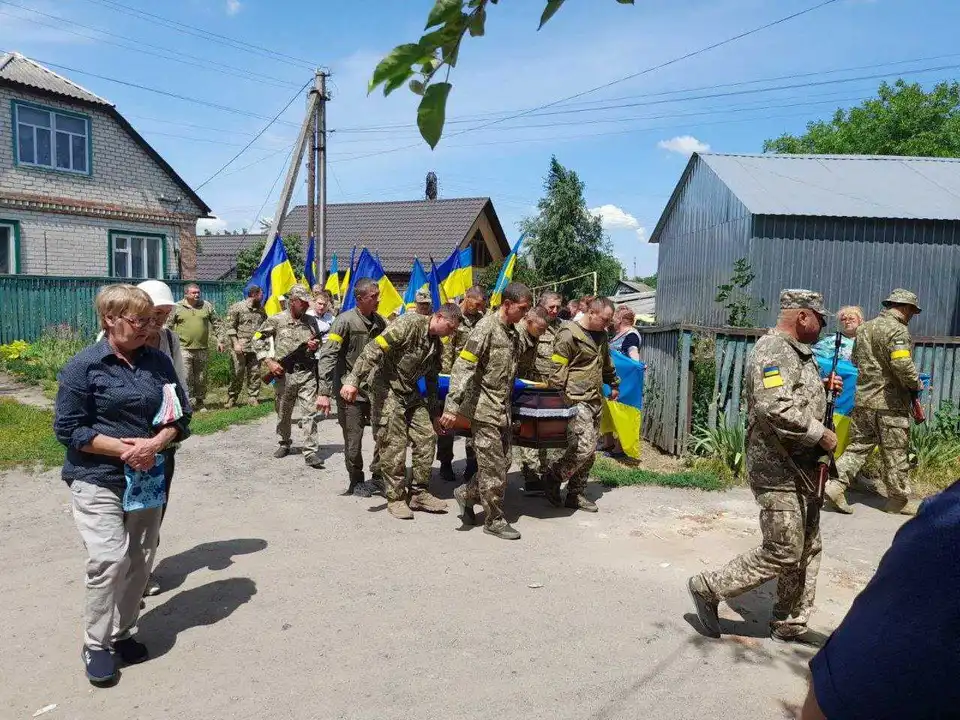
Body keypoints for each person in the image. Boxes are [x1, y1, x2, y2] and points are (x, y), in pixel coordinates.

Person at [54, 284, 192, 685]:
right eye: (139, 320)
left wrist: (156, 443)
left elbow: (180, 416)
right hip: (97, 476)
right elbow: (69, 429)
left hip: (147, 475)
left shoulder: (158, 362)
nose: (148, 327)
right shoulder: (84, 366)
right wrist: (124, 449)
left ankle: (122, 632)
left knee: (140, 558)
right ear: (110, 319)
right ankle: (96, 644)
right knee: (109, 559)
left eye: (152, 320)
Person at [687, 289, 841, 645]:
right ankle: (709, 586)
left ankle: (789, 621)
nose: (823, 326)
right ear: (802, 316)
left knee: (807, 546)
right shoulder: (773, 350)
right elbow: (774, 406)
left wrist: (821, 387)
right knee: (784, 548)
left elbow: (792, 395)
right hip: (778, 468)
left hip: (802, 467)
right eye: (821, 319)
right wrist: (820, 434)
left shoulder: (797, 353)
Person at [799, 479, 960, 720]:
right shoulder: (948, 528)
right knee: (786, 551)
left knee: (799, 550)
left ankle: (789, 619)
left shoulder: (946, 521)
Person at [341, 304, 462, 519]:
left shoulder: (435, 345)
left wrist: (435, 414)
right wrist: (353, 380)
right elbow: (374, 349)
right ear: (439, 317)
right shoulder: (409, 324)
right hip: (386, 388)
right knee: (394, 443)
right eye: (450, 327)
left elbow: (432, 380)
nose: (451, 333)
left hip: (409, 392)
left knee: (427, 436)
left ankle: (419, 493)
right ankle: (395, 498)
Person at [441, 282, 533, 541]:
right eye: (522, 308)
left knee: (504, 463)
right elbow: (463, 367)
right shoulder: (486, 328)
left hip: (502, 409)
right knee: (493, 469)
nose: (525, 313)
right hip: (483, 409)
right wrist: (452, 406)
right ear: (507, 304)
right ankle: (494, 520)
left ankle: (466, 493)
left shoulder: (512, 332)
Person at [825, 290, 924, 516]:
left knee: (858, 446)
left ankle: (835, 486)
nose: (912, 316)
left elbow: (855, 360)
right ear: (905, 307)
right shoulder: (897, 330)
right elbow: (901, 364)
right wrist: (916, 383)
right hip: (890, 404)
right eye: (912, 311)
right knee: (895, 451)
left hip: (863, 400)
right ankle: (898, 501)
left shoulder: (864, 328)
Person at [135, 280, 187, 599]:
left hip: (162, 437)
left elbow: (180, 382)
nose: (160, 320)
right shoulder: (113, 339)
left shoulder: (169, 339)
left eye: (166, 313)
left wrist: (177, 422)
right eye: (156, 312)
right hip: (126, 438)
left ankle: (142, 572)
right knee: (127, 509)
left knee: (155, 506)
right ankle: (123, 577)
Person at [543, 297, 620, 513]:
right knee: (583, 447)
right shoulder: (569, 333)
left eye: (609, 320)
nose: (607, 324)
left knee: (590, 451)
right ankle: (553, 476)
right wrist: (556, 399)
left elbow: (605, 362)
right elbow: (557, 368)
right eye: (604, 319)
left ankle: (575, 494)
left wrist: (613, 382)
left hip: (595, 397)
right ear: (591, 313)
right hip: (574, 398)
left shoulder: (601, 335)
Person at [316, 278, 387, 497]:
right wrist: (324, 392)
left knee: (384, 435)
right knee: (353, 440)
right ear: (359, 298)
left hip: (375, 391)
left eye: (377, 295)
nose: (378, 300)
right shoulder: (344, 321)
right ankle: (356, 481)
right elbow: (328, 355)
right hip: (350, 392)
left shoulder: (380, 322)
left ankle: (378, 477)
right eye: (373, 296)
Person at [253, 284, 324, 469]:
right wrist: (268, 361)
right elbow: (257, 338)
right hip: (284, 374)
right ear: (292, 302)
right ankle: (284, 442)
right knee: (283, 412)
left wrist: (315, 346)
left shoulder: (311, 321)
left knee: (309, 413)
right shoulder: (277, 319)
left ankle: (310, 451)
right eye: (303, 302)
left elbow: (317, 342)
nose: (306, 306)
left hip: (307, 373)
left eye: (307, 303)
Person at [436, 285, 487, 483]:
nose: (479, 308)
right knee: (448, 422)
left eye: (482, 305)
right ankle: (445, 462)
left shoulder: (482, 321)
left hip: (474, 380)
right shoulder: (454, 317)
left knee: (472, 423)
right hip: (454, 378)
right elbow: (447, 350)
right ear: (467, 297)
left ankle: (472, 464)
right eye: (477, 304)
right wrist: (447, 379)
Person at [517, 291, 564, 495]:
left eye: (558, 307)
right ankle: (530, 474)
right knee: (529, 427)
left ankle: (543, 472)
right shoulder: (529, 323)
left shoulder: (562, 327)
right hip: (532, 383)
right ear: (541, 305)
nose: (554, 310)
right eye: (551, 307)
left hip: (552, 385)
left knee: (546, 430)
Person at [166, 283, 224, 411]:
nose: (197, 295)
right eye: (194, 293)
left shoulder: (206, 306)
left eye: (198, 292)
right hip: (183, 348)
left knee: (201, 377)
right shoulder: (177, 307)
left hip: (202, 348)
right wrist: (168, 344)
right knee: (185, 376)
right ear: (186, 294)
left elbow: (217, 323)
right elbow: (168, 326)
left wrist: (220, 340)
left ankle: (200, 401)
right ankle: (187, 401)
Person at [225, 285, 267, 408]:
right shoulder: (237, 307)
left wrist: (263, 341)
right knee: (237, 373)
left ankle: (253, 397)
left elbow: (264, 326)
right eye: (261, 295)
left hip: (255, 348)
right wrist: (235, 344)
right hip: (240, 348)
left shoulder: (261, 309)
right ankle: (232, 397)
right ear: (254, 294)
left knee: (255, 373)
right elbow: (230, 327)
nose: (262, 297)